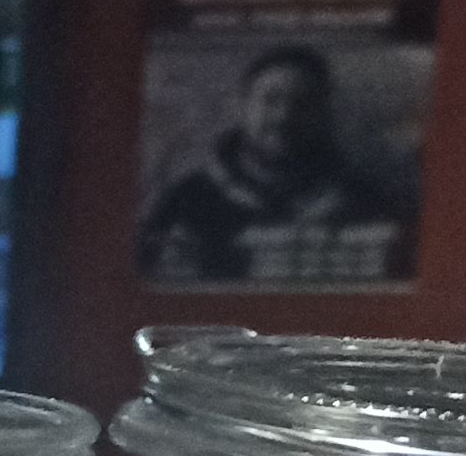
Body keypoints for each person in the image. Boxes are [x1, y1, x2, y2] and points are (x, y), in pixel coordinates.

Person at [137, 46, 406, 287]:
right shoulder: (188, 202)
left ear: (324, 113)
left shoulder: (367, 203)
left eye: (303, 103)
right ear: (242, 106)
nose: (284, 116)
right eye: (271, 100)